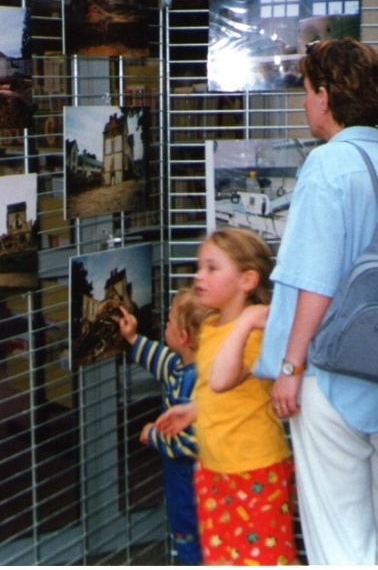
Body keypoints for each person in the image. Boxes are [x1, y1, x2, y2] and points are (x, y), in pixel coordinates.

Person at [255, 37, 378, 564]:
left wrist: (290, 364)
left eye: (307, 92)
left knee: (340, 542)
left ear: (325, 97)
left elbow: (315, 279)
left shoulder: (327, 167)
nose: (304, 103)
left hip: (330, 374)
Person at [189, 227, 298, 566]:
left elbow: (223, 379)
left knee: (265, 558)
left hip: (255, 470)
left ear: (247, 280)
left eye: (211, 267)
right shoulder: (210, 326)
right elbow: (215, 389)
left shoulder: (255, 337)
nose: (198, 276)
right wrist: (192, 411)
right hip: (214, 469)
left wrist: (248, 319)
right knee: (222, 558)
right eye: (198, 266)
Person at [117, 287, 208, 566]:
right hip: (180, 479)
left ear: (183, 337)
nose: (164, 326)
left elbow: (192, 442)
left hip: (191, 481)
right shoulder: (179, 365)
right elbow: (158, 357)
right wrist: (132, 338)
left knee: (191, 536)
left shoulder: (198, 381)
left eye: (168, 322)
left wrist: (153, 436)